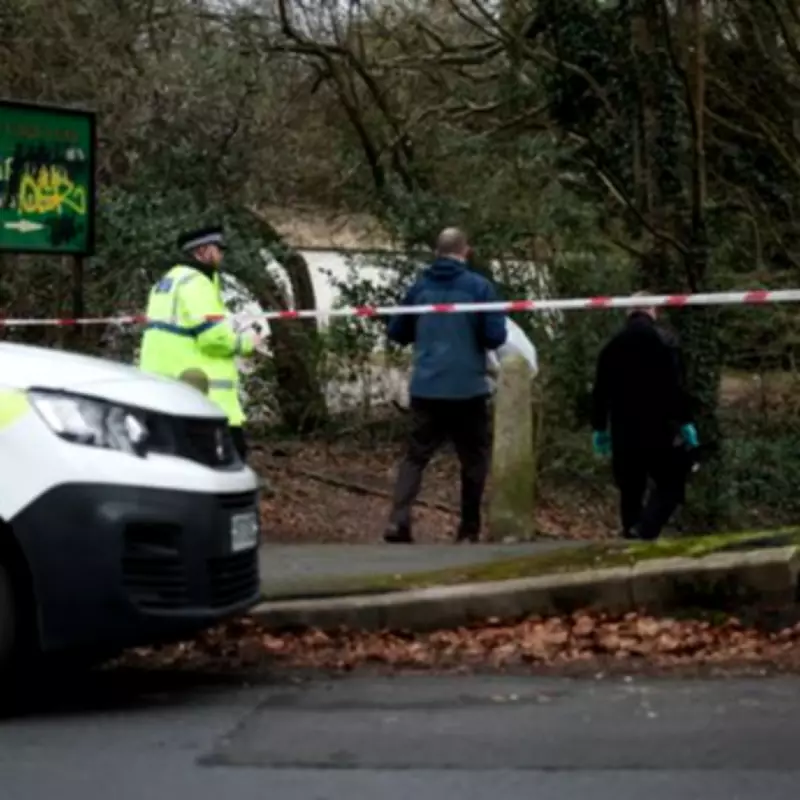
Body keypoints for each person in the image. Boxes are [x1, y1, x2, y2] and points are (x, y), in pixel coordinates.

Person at [384, 227, 508, 544]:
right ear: (466, 251)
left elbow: (396, 331)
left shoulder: (419, 289)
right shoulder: (480, 288)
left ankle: (398, 521)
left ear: (437, 252)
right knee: (473, 459)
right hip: (468, 388)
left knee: (415, 456)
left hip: (427, 387)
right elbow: (495, 337)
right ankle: (468, 528)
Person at [139, 225, 261, 462]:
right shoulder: (197, 284)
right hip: (204, 396)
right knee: (229, 464)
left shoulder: (167, 281)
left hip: (167, 392)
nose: (222, 255)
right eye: (218, 249)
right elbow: (213, 338)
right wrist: (247, 343)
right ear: (203, 251)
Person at [590, 295, 698, 541]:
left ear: (627, 313)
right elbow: (676, 387)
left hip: (623, 428)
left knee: (630, 489)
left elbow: (600, 391)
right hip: (660, 426)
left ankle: (631, 534)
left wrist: (599, 427)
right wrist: (686, 421)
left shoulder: (611, 346)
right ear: (654, 311)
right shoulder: (665, 342)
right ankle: (646, 529)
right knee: (671, 484)